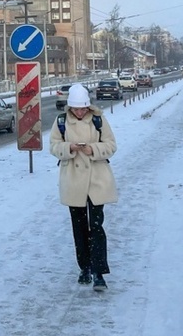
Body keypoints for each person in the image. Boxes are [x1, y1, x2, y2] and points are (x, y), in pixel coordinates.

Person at [50, 83, 117, 291]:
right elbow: (53, 146)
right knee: (78, 228)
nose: (80, 112)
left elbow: (111, 145)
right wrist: (68, 148)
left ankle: (99, 272)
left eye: (83, 108)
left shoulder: (98, 120)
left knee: (96, 227)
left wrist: (93, 149)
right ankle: (84, 267)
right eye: (76, 109)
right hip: (73, 180)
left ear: (88, 107)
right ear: (70, 108)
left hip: (97, 179)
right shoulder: (61, 122)